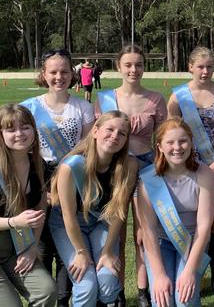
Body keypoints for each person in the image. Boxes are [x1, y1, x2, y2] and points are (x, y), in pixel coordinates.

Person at [95, 45, 168, 307]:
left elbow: (163, 141)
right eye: (128, 64)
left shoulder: (156, 99)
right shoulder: (104, 99)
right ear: (119, 67)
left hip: (147, 170)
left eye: (138, 64)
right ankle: (117, 293)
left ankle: (142, 291)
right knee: (115, 232)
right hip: (113, 170)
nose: (133, 69)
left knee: (144, 232)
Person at [21, 48, 93, 307]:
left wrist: (63, 184)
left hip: (72, 178)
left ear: (72, 74)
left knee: (66, 241)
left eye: (64, 71)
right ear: (44, 74)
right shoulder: (28, 107)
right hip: (37, 178)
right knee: (41, 241)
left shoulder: (83, 107)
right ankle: (42, 297)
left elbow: (86, 148)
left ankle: (63, 299)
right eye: (53, 72)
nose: (59, 76)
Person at [48, 110, 139, 306]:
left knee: (107, 280)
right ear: (95, 131)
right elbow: (68, 217)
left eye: (122, 133)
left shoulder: (129, 165)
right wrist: (81, 252)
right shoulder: (71, 166)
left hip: (101, 222)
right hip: (69, 225)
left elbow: (118, 213)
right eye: (110, 129)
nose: (115, 136)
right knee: (86, 284)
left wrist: (107, 252)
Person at [167, 46, 214, 297]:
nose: (205, 71)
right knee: (190, 223)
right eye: (200, 67)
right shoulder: (177, 97)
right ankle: (191, 274)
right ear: (190, 67)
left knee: (213, 225)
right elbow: (169, 134)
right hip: (185, 169)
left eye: (209, 67)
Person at [137, 119, 214, 307]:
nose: (177, 147)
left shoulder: (204, 173)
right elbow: (147, 230)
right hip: (160, 242)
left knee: (185, 300)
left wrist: (190, 270)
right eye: (170, 142)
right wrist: (158, 275)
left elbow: (204, 227)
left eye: (183, 141)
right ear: (160, 147)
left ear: (191, 142)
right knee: (162, 300)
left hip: (192, 242)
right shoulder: (148, 178)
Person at [0, 104, 56, 306]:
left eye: (25, 127)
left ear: (33, 129)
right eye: (10, 129)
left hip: (16, 248)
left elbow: (40, 209)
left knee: (47, 291)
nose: (19, 134)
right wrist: (14, 221)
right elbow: (20, 220)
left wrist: (33, 247)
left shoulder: (38, 163)